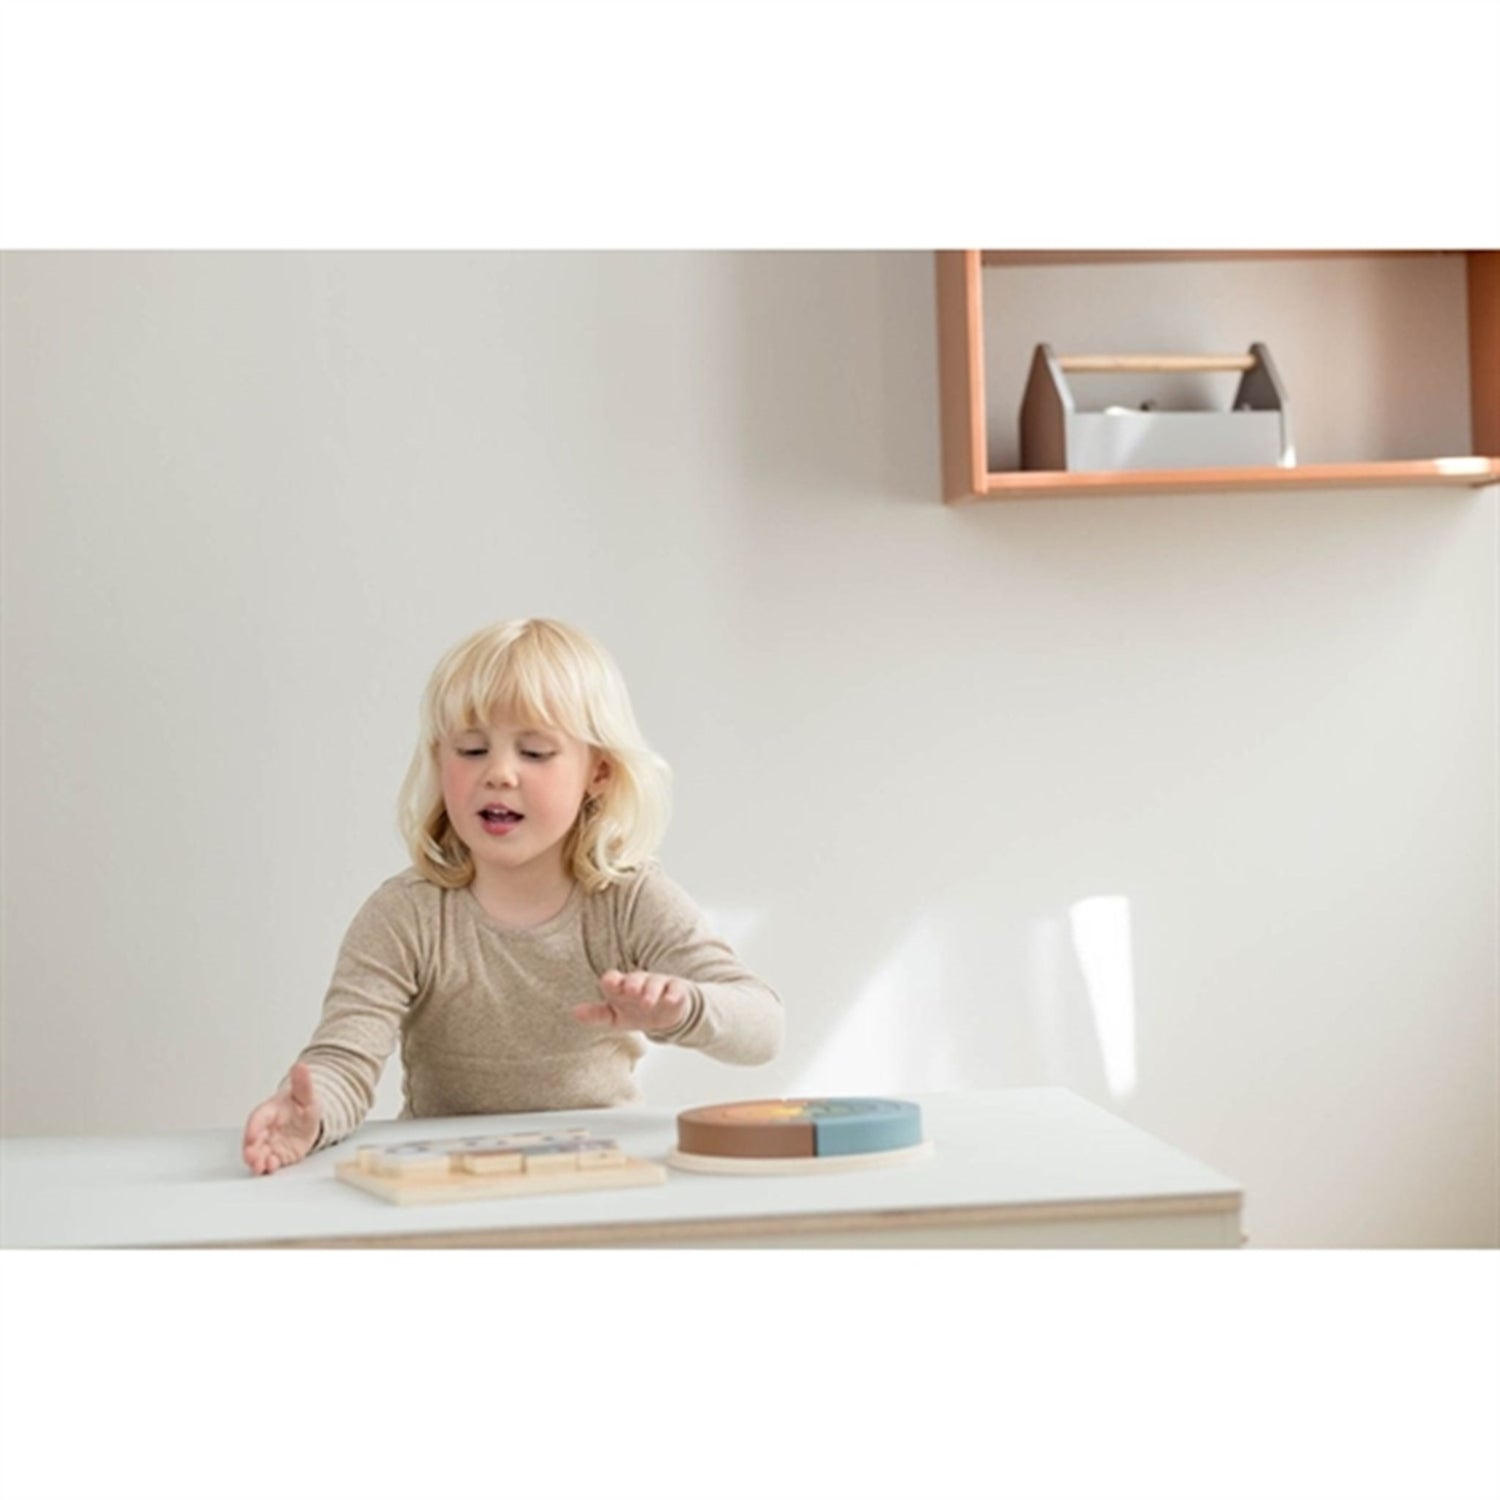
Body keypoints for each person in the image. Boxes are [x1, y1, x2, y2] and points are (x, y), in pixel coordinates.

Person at [242, 617, 783, 1175]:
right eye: (472, 749)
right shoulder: (405, 915)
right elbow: (344, 1061)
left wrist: (684, 1007)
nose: (499, 773)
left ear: (598, 773)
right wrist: (309, 1114)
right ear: (440, 760)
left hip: (597, 1172)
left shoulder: (629, 900)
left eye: (535, 752)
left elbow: (763, 1029)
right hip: (449, 1179)